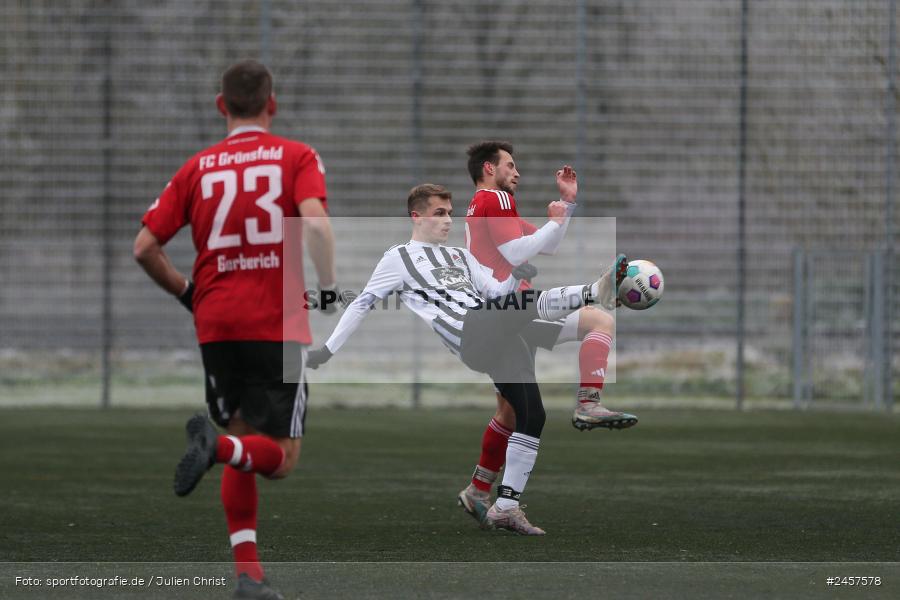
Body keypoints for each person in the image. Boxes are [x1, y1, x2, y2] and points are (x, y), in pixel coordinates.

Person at [306, 184, 625, 535]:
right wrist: (328, 348)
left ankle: (506, 507)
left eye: (450, 213)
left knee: (533, 415)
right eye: (439, 213)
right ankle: (595, 291)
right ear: (417, 216)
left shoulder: (460, 256)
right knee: (525, 305)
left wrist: (513, 279)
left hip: (497, 334)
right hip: (469, 333)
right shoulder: (398, 258)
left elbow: (495, 294)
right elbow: (362, 303)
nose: (447, 220)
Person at [134, 60, 334, 600]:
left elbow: (144, 248)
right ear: (273, 103)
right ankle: (218, 450)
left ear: (221, 106)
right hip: (276, 320)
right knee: (280, 459)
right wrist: (330, 285)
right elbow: (314, 223)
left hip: (216, 321)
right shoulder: (296, 156)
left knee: (243, 434)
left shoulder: (197, 167)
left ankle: (248, 576)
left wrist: (187, 294)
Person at [457, 141, 636, 525]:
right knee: (599, 319)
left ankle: (478, 489)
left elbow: (546, 247)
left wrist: (565, 207)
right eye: (510, 165)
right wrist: (556, 219)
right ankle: (588, 402)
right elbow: (519, 253)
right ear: (489, 168)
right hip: (511, 313)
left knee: (510, 412)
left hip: (497, 319)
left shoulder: (481, 205)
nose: (517, 173)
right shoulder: (496, 200)